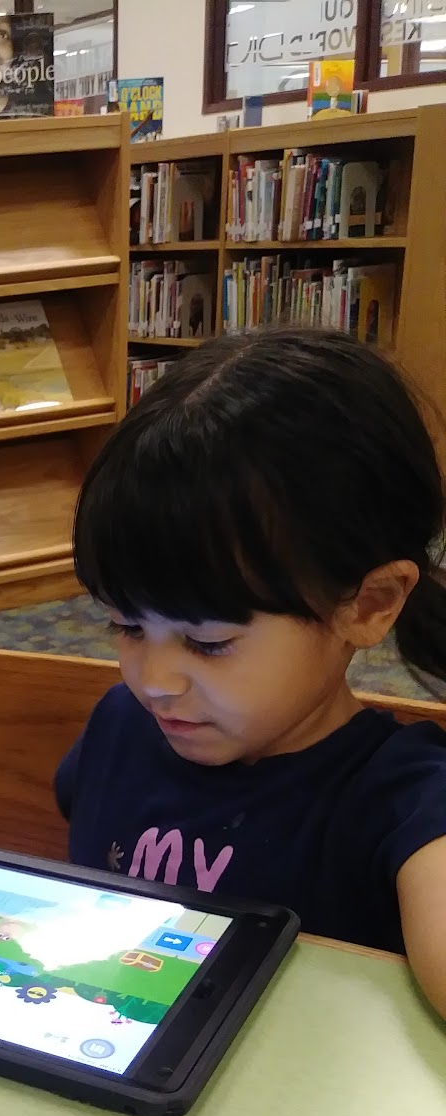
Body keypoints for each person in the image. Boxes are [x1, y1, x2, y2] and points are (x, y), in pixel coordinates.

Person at [56, 328, 446, 1018]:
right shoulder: (121, 727)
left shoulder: (404, 798)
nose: (154, 680)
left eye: (207, 643)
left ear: (370, 604)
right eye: (127, 626)